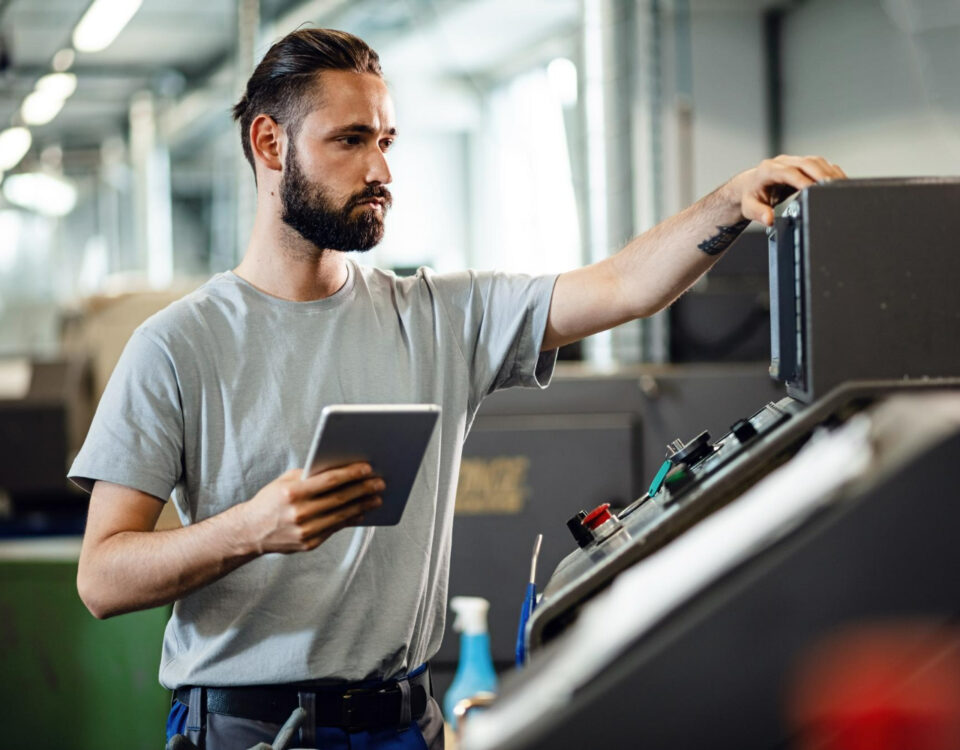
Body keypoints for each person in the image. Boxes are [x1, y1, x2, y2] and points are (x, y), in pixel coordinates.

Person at [69, 27, 846, 750]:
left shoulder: (444, 314)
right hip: (249, 730)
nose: (381, 171)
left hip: (405, 723)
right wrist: (252, 529)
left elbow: (622, 286)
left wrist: (732, 199)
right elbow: (102, 577)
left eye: (386, 141)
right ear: (270, 143)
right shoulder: (176, 345)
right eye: (350, 140)